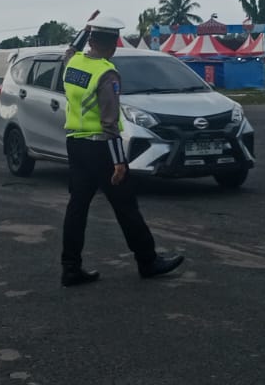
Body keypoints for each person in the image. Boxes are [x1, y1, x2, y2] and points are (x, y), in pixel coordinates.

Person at [57, 14, 183, 287]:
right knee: (126, 206)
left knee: (77, 207)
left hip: (75, 144)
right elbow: (110, 122)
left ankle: (70, 267)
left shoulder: (73, 63)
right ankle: (148, 261)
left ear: (91, 40)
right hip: (102, 147)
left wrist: (84, 29)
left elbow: (69, 51)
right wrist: (119, 162)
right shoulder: (106, 73)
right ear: (114, 44)